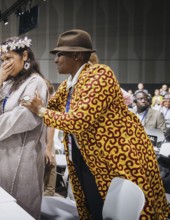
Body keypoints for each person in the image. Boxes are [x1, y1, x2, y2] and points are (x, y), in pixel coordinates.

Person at [22, 29, 169, 219]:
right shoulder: (69, 84)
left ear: (77, 55)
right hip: (88, 159)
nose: (55, 59)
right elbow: (51, 106)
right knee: (93, 208)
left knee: (115, 211)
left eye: (60, 54)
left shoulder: (100, 75)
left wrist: (40, 110)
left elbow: (77, 121)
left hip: (117, 159)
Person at [0, 36, 48, 219]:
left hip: (22, 157)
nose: (5, 65)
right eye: (2, 60)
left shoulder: (35, 82)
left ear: (24, 55)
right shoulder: (8, 83)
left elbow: (25, 117)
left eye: (9, 58)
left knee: (20, 209)